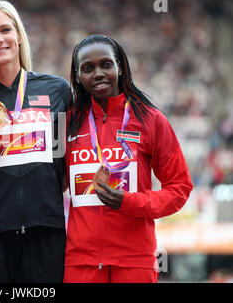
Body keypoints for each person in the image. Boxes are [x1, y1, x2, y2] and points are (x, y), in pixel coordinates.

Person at [64, 34, 193, 283]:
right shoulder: (67, 123)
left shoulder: (151, 120)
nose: (98, 73)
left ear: (120, 68)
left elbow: (180, 188)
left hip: (135, 260)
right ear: (78, 77)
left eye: (106, 64)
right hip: (81, 261)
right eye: (88, 68)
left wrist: (130, 202)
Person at [0, 0, 70, 282]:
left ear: (19, 35)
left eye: (5, 29)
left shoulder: (57, 90)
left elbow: (64, 159)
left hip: (46, 231)